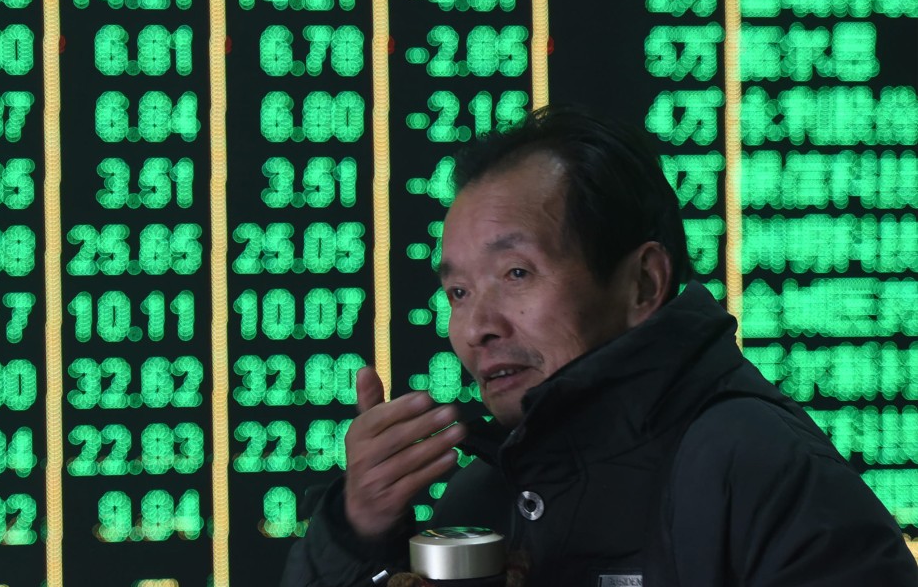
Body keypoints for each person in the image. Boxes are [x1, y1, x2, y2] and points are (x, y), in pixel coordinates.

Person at [281, 105, 918, 586]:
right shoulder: (484, 497)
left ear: (643, 283)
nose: (477, 327)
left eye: (516, 274)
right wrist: (355, 531)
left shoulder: (759, 468)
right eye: (457, 293)